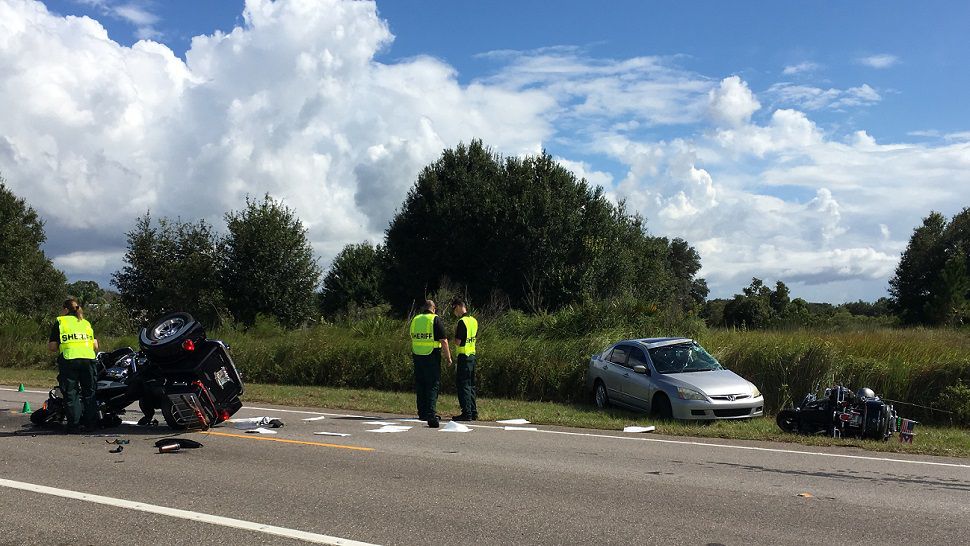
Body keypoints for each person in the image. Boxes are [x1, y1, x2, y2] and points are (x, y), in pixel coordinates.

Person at [48, 297, 100, 432]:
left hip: (69, 359)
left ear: (65, 309)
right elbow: (95, 345)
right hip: (88, 360)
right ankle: (91, 424)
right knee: (90, 392)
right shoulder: (85, 322)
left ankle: (74, 425)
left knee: (71, 393)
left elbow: (53, 347)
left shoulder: (61, 322)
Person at [409, 299, 450, 428]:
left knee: (421, 384)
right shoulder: (434, 319)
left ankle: (422, 412)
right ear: (433, 308)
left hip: (417, 355)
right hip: (431, 354)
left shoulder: (415, 319)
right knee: (432, 384)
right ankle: (431, 413)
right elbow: (444, 340)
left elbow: (412, 335)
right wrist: (448, 357)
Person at [451, 298, 478, 421]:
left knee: (463, 385)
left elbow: (458, 341)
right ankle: (473, 411)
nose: (454, 313)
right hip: (472, 355)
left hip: (463, 356)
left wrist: (454, 335)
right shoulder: (473, 321)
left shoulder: (462, 322)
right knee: (471, 385)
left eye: (454, 309)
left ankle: (466, 413)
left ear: (458, 306)